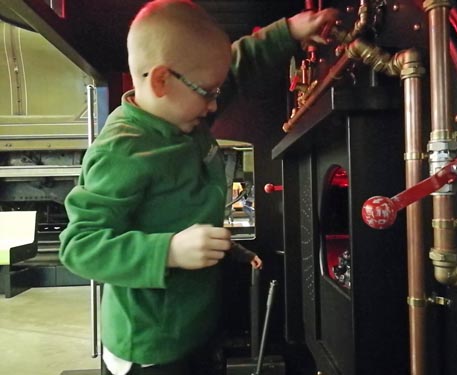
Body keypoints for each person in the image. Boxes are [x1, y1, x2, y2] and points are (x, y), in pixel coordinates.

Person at [59, 1, 339, 374]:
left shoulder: (181, 110)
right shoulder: (122, 149)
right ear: (161, 80)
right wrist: (168, 250)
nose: (213, 106)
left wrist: (288, 32)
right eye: (207, 93)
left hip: (195, 328)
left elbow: (233, 67)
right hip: (152, 349)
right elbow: (80, 246)